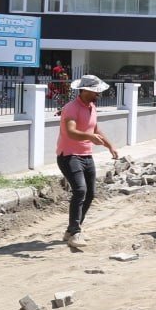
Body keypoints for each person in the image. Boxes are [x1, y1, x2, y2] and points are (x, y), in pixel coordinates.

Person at [56, 74, 119, 248]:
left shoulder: (91, 107)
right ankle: (76, 233)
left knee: (90, 193)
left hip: (85, 155)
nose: (98, 95)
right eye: (95, 92)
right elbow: (71, 132)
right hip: (68, 155)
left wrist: (109, 146)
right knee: (80, 190)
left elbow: (96, 129)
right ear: (84, 90)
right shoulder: (71, 108)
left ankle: (71, 229)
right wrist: (90, 137)